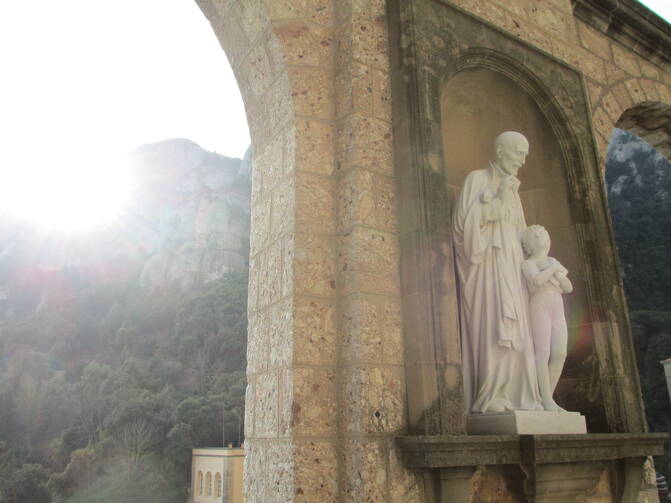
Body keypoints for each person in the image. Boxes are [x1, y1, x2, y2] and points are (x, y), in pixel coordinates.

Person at [453, 131, 542, 413]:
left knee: (517, 327)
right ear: (502, 151)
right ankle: (491, 395)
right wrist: (494, 208)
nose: (523, 160)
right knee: (493, 324)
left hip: (513, 268)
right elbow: (460, 227)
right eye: (519, 153)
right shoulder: (476, 179)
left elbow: (520, 232)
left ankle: (521, 396)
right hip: (486, 268)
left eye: (526, 154)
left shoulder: (514, 188)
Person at [521, 225, 572, 411]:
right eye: (535, 236)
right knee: (542, 353)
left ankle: (547, 397)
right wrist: (554, 269)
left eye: (543, 234)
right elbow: (536, 280)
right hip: (540, 303)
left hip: (556, 304)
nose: (540, 236)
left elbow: (568, 287)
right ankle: (546, 400)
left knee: (560, 354)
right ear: (528, 246)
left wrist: (553, 268)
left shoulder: (552, 261)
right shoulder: (528, 263)